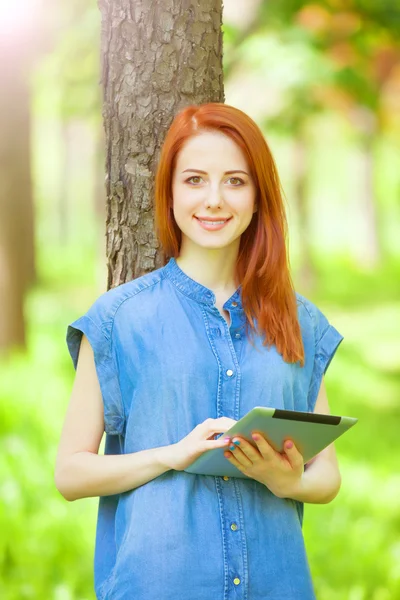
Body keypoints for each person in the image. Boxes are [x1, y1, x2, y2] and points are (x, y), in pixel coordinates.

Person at [55, 102, 343, 600]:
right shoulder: (119, 319)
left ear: (259, 197)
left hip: (277, 585)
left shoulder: (297, 320)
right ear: (168, 193)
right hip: (160, 584)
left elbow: (328, 477)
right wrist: (172, 455)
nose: (214, 200)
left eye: (235, 181)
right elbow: (71, 472)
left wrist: (286, 481)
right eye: (194, 180)